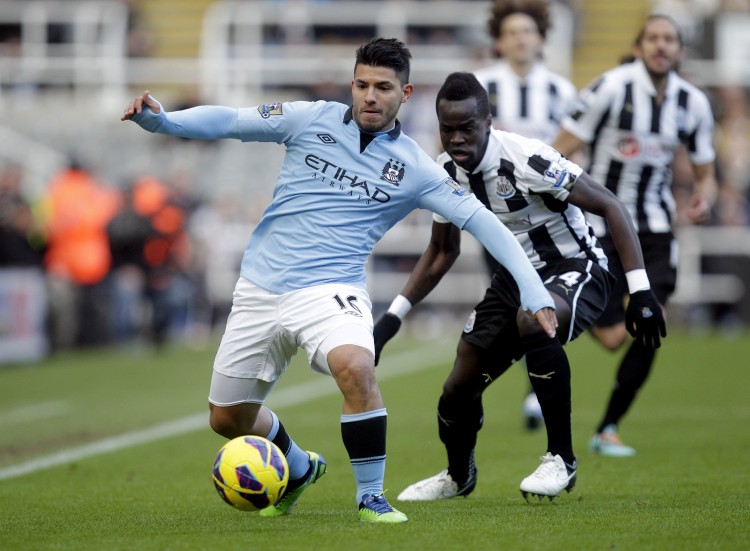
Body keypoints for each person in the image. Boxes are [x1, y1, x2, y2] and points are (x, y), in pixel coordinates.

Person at [121, 38, 558, 523]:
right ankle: (301, 465)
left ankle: (370, 495)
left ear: (405, 93)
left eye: (383, 87)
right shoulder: (309, 118)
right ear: (353, 84)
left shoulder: (417, 168)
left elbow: (485, 224)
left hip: (331, 290)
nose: (371, 96)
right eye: (363, 84)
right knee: (227, 419)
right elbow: (231, 119)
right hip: (259, 289)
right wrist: (164, 121)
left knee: (356, 367)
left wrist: (534, 289)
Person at [372, 72, 665, 501]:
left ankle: (560, 459)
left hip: (576, 267)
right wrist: (390, 321)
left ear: (489, 123)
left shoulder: (527, 158)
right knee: (457, 389)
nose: (456, 139)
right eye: (447, 129)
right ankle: (458, 476)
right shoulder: (443, 172)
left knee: (534, 320)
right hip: (514, 279)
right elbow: (441, 252)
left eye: (467, 128)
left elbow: (610, 204)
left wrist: (639, 290)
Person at [552, 14, 717, 457]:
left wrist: (703, 197)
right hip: (603, 226)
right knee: (610, 339)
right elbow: (560, 147)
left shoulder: (693, 103)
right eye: (654, 38)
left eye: (670, 39)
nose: (661, 46)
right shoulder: (610, 87)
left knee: (650, 323)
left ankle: (608, 427)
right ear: (641, 46)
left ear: (680, 50)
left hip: (657, 230)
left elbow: (706, 173)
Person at [474, 0, 578, 430]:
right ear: (500, 40)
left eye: (528, 31)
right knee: (516, 299)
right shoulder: (481, 85)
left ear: (540, 39)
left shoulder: (561, 90)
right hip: (496, 218)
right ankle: (533, 384)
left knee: (541, 298)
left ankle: (537, 389)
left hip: (548, 220)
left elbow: (574, 147)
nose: (521, 38)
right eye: (513, 31)